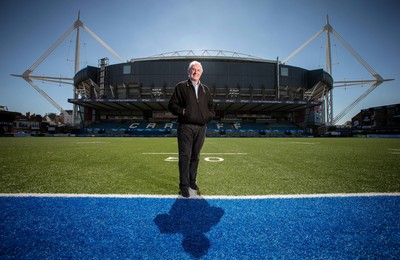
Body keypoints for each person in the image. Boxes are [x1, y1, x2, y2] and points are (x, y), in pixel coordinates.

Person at [168, 61, 215, 198]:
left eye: (198, 70)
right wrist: (183, 112)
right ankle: (184, 186)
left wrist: (208, 116)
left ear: (201, 73)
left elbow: (211, 107)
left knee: (196, 157)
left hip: (201, 128)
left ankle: (192, 182)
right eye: (193, 70)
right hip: (186, 127)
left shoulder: (205, 89)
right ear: (189, 72)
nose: (195, 72)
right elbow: (172, 105)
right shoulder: (181, 86)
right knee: (185, 157)